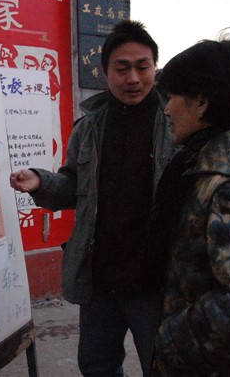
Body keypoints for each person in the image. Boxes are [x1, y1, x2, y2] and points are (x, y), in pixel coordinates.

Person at [10, 20, 175, 377]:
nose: (133, 78)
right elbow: (73, 184)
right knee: (97, 365)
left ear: (154, 67)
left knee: (162, 365)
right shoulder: (89, 127)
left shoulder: (175, 121)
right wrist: (40, 182)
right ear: (104, 72)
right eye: (122, 68)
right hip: (99, 274)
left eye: (143, 67)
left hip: (155, 279)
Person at [148, 40, 230, 376]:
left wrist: (170, 341)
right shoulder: (207, 164)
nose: (167, 109)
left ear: (200, 102)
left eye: (171, 97)